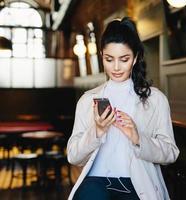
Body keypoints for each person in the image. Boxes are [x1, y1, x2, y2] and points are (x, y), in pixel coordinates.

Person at [67, 17, 180, 200]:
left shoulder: (155, 100)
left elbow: (170, 153)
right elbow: (73, 156)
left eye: (124, 59)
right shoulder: (88, 100)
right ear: (102, 56)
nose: (116, 67)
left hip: (137, 181)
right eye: (109, 59)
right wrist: (97, 131)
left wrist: (137, 137)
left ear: (135, 58)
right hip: (96, 180)